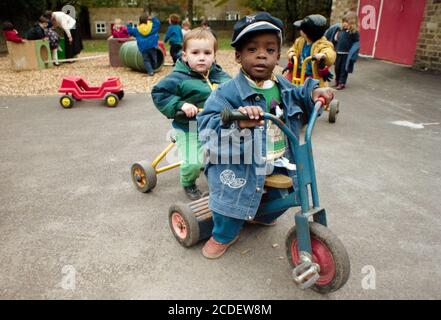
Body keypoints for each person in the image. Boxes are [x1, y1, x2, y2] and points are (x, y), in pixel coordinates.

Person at [197, 12, 334, 259]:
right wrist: (238, 121)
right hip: (239, 161)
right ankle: (224, 235)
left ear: (278, 56)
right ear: (238, 56)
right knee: (230, 201)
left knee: (291, 190)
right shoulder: (226, 93)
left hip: (279, 156)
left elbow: (301, 93)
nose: (262, 55)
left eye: (270, 50)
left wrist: (315, 91)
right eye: (252, 49)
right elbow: (206, 128)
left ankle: (261, 215)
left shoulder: (282, 86)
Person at [152, 27, 231, 200]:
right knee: (193, 163)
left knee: (230, 153)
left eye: (207, 53)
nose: (202, 57)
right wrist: (181, 104)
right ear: (185, 55)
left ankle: (224, 181)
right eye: (195, 52)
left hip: (215, 126)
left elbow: (235, 91)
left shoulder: (221, 76)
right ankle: (188, 182)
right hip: (190, 126)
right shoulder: (178, 78)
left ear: (214, 55)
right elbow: (159, 93)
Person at [285, 14, 336, 87]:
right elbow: (294, 48)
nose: (300, 31)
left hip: (312, 76)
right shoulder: (300, 41)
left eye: (301, 29)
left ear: (305, 33)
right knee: (285, 84)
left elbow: (329, 52)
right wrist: (292, 53)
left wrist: (324, 55)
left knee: (313, 92)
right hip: (298, 73)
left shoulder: (322, 44)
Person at [325, 12, 360, 90]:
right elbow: (335, 38)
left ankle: (342, 83)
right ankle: (337, 81)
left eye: (347, 22)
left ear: (352, 23)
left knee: (343, 69)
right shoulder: (340, 30)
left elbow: (356, 43)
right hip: (338, 53)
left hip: (346, 54)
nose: (344, 24)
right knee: (337, 68)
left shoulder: (353, 33)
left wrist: (353, 54)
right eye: (343, 21)